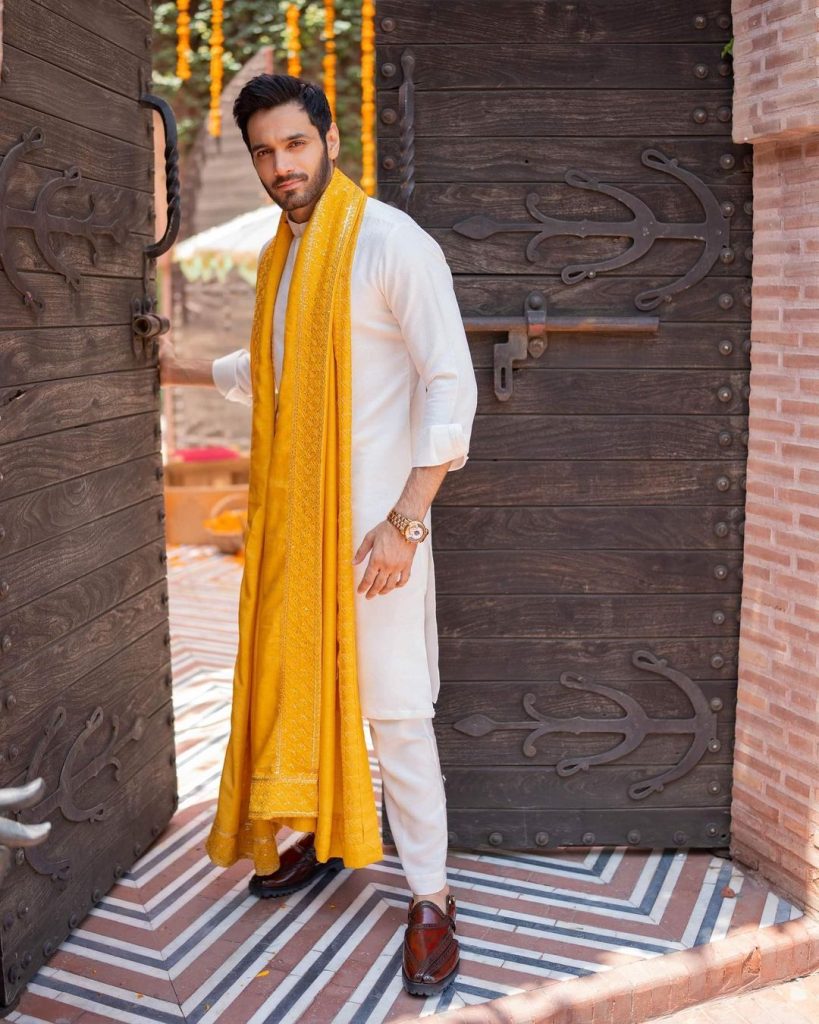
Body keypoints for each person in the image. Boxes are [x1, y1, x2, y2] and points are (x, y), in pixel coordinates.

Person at [159, 74, 477, 997]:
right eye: (263, 151)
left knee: (395, 711)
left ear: (329, 139)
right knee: (291, 688)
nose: (279, 166)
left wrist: (405, 524)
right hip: (299, 533)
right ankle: (320, 837)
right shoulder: (280, 256)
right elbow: (278, 363)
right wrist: (173, 366)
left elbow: (448, 385)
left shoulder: (388, 243)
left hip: (380, 538)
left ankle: (431, 899)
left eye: (294, 144)